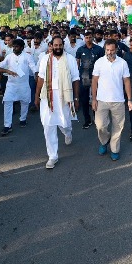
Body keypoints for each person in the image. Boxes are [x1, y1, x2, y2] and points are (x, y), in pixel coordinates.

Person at [35, 36, 80, 168]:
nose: (58, 47)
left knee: (64, 122)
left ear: (63, 45)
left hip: (64, 96)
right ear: (51, 45)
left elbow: (76, 79)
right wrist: (36, 96)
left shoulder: (70, 59)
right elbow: (41, 78)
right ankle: (52, 156)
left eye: (60, 45)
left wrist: (76, 98)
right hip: (47, 96)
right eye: (55, 45)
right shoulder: (45, 59)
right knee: (48, 125)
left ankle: (68, 132)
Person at [91, 39, 132, 161]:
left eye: (112, 50)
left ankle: (114, 149)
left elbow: (127, 81)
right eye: (107, 50)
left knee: (118, 127)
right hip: (101, 100)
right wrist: (93, 99)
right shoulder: (99, 62)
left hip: (118, 101)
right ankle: (104, 141)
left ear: (116, 49)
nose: (109, 52)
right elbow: (94, 81)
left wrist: (129, 99)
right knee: (100, 126)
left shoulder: (122, 63)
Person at [0, 39, 35, 135]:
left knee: (25, 102)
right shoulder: (9, 56)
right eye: (13, 47)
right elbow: (2, 65)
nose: (14, 48)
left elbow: (33, 67)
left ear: (22, 47)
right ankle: (7, 125)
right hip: (11, 85)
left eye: (16, 47)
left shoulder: (27, 56)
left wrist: (38, 74)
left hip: (23, 85)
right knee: (7, 102)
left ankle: (23, 119)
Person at [75, 31, 104, 129]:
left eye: (90, 37)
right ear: (84, 38)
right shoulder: (80, 50)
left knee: (96, 98)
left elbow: (102, 63)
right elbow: (77, 64)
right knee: (84, 99)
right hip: (84, 78)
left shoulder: (99, 49)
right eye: (86, 37)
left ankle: (97, 118)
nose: (88, 39)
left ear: (93, 38)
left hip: (96, 77)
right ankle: (87, 120)